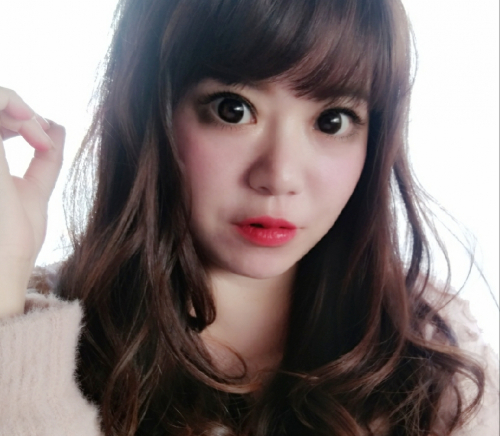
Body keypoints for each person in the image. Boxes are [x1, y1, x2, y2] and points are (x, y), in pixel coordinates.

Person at [0, 0, 498, 435]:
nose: (280, 175)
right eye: (233, 110)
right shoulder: (36, 337)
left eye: (332, 121)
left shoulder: (437, 363)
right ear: (151, 111)